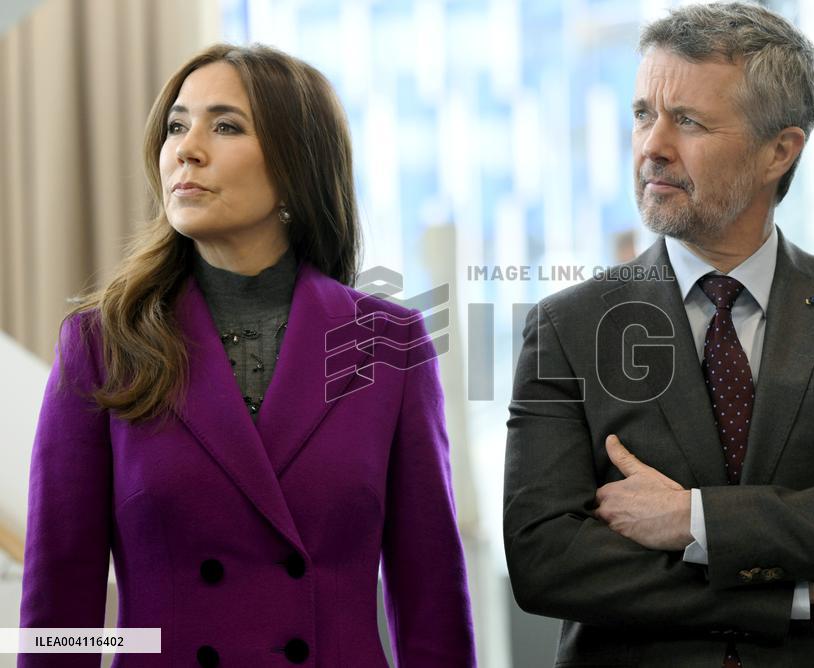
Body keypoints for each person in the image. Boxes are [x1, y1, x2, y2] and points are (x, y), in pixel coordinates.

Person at [503, 3, 814, 666]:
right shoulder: (567, 329)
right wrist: (787, 591)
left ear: (779, 150)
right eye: (643, 113)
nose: (651, 146)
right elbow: (544, 559)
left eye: (687, 121)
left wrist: (694, 520)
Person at [19, 43, 476, 667]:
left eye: (225, 125)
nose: (187, 148)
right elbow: (57, 611)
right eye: (177, 125)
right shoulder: (100, 345)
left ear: (295, 166)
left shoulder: (389, 344)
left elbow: (433, 607)